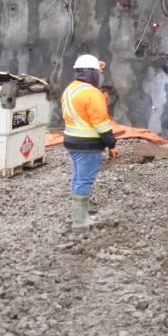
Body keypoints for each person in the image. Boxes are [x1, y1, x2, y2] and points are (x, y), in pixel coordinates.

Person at [61, 54, 118, 230]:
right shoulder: (93, 94)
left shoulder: (71, 89)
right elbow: (101, 124)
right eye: (98, 73)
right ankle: (80, 221)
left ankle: (80, 213)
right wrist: (112, 143)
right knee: (85, 180)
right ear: (93, 74)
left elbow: (83, 113)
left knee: (78, 177)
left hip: (72, 142)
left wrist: (100, 98)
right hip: (87, 145)